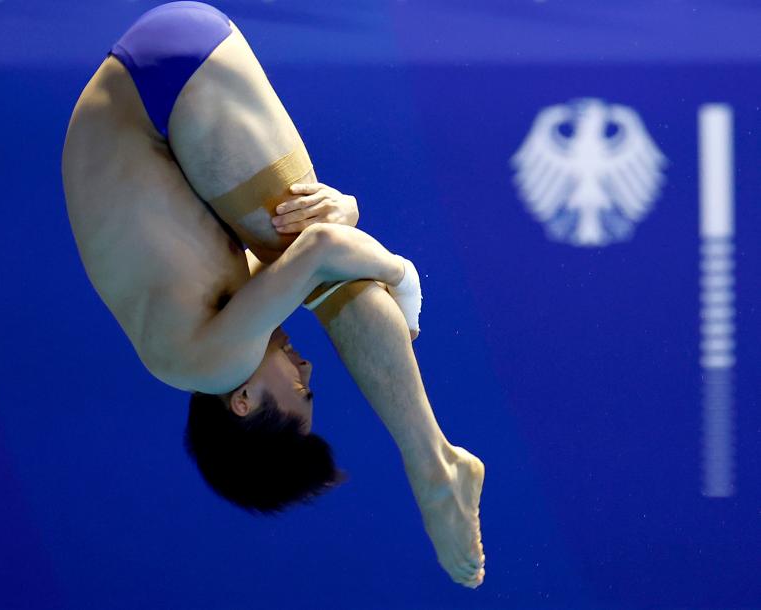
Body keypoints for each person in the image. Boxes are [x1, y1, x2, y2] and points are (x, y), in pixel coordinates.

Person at [61, 1, 485, 588]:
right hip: (159, 73)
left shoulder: (211, 363)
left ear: (243, 403)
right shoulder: (187, 345)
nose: (307, 369)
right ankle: (433, 461)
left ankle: (430, 464)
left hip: (168, 85)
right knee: (313, 257)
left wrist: (403, 280)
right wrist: (345, 214)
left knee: (329, 276)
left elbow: (321, 252)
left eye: (302, 393)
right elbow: (307, 252)